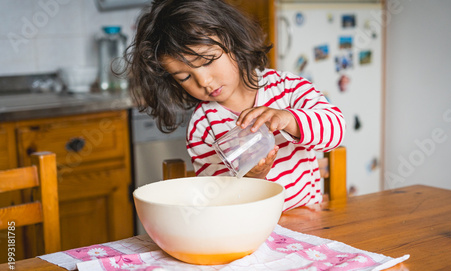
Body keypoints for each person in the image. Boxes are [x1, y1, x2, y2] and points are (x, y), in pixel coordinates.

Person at [126, 0, 345, 211]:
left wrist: (289, 119)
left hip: (309, 220)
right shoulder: (203, 126)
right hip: (250, 232)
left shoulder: (287, 88)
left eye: (208, 60)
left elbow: (336, 130)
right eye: (184, 77)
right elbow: (216, 202)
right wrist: (253, 178)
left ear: (231, 39)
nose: (203, 81)